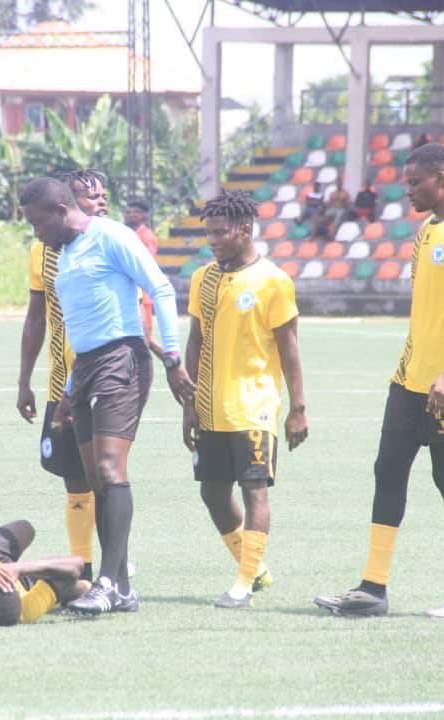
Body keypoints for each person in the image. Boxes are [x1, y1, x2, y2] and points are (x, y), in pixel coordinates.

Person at [314, 143, 444, 619]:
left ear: (442, 177)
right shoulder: (425, 231)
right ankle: (372, 589)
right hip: (410, 378)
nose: (408, 189)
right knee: (387, 470)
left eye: (415, 181)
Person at [19, 177, 196, 616]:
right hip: (85, 368)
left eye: (39, 223)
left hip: (123, 358)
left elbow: (161, 289)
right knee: (96, 480)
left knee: (108, 467)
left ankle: (107, 583)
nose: (36, 232)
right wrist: (68, 389)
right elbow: (80, 325)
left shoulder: (112, 236)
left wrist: (174, 360)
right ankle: (119, 589)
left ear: (61, 212)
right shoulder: (63, 255)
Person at [183, 190, 309, 609]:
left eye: (220, 233)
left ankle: (242, 582)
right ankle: (255, 568)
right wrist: (190, 404)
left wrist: (298, 409)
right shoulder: (203, 278)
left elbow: (289, 346)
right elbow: (195, 341)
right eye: (209, 234)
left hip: (254, 407)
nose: (213, 240)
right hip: (211, 410)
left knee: (255, 491)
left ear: (245, 229)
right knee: (213, 494)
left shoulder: (272, 280)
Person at [16, 170, 111, 583]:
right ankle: (82, 567)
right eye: (91, 198)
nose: (100, 204)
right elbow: (36, 318)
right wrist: (24, 380)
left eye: (103, 197)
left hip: (105, 380)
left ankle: (115, 566)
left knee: (105, 475)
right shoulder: (42, 252)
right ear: (66, 205)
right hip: (61, 385)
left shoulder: (110, 243)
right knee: (74, 479)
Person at [124, 197, 165, 360]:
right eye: (128, 212)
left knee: (144, 341)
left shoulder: (145, 235)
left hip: (143, 294)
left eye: (135, 212)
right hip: (132, 292)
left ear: (144, 216)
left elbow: (145, 263)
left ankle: (172, 363)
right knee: (142, 338)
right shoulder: (128, 233)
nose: (130, 215)